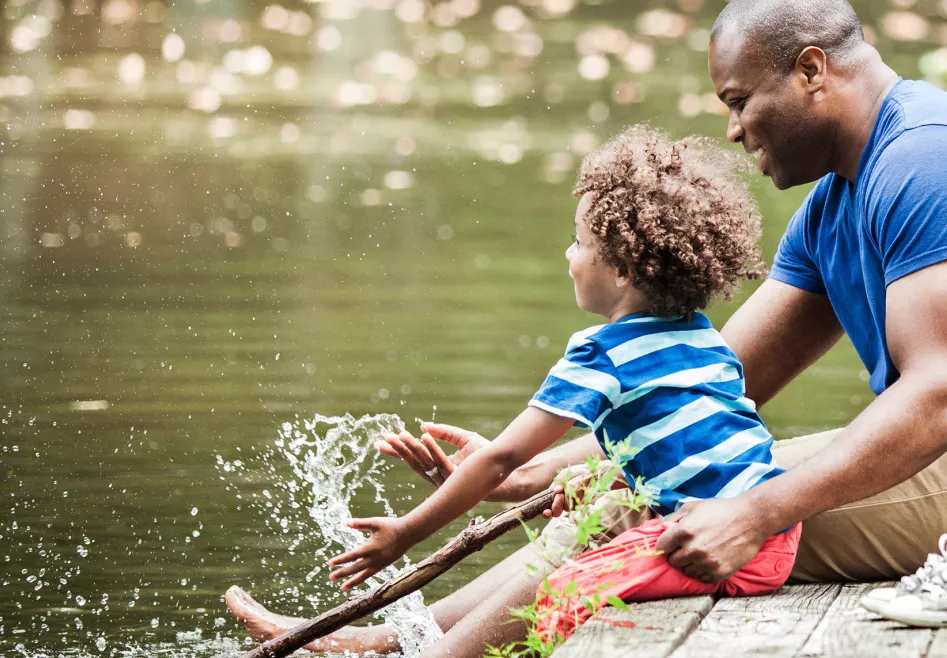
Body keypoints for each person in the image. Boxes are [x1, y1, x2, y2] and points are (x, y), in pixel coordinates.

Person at [227, 0, 947, 652]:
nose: (738, 131)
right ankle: (398, 641)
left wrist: (755, 510)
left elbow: (943, 394)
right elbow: (716, 386)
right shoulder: (839, 203)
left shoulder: (930, 160)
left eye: (740, 101)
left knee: (652, 517)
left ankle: (401, 650)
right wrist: (536, 469)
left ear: (813, 71)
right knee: (623, 495)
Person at [229, 126, 800, 654]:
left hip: (731, 547)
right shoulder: (702, 339)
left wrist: (404, 533)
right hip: (769, 530)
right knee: (595, 518)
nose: (568, 255)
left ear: (625, 269)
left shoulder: (603, 354)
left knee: (563, 585)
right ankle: (374, 641)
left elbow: (503, 458)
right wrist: (614, 477)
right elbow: (703, 445)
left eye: (578, 242)